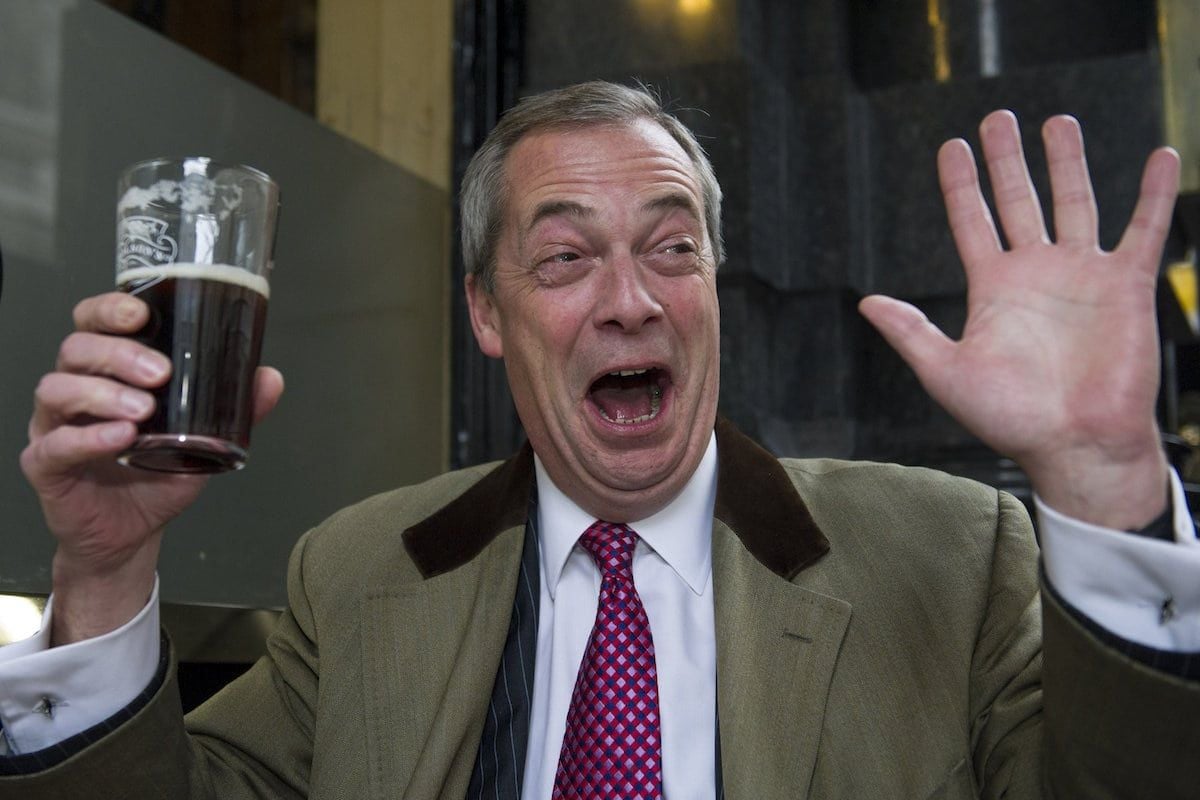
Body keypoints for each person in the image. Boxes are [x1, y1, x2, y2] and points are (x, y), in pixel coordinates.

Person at [1, 80, 1198, 798]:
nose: (632, 299)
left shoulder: (951, 554)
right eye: (566, 257)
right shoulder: (355, 575)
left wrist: (1108, 485)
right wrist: (103, 573)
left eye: (672, 248)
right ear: (486, 309)